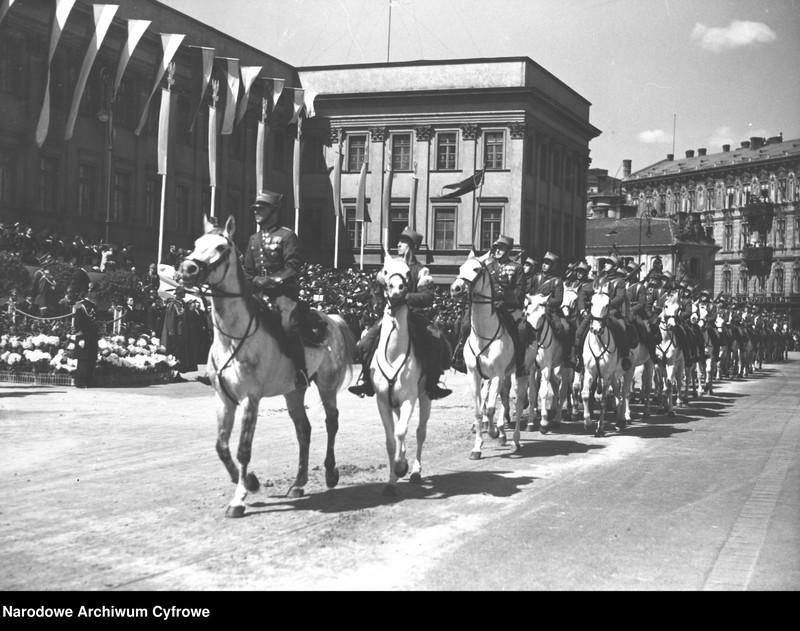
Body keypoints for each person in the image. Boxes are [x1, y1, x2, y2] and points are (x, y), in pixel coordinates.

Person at [348, 227, 452, 400]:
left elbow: (428, 296)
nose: (398, 244)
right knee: (365, 343)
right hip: (390, 315)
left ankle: (433, 385)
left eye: (403, 242)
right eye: (399, 241)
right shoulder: (390, 267)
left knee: (435, 344)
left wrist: (407, 297)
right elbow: (378, 289)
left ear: (412, 246)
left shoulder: (421, 270)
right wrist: (381, 304)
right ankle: (366, 380)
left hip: (415, 317)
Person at [243, 189, 310, 390]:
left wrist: (271, 280)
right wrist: (255, 280)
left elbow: (292, 266)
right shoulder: (253, 239)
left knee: (289, 326)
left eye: (261, 209)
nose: (256, 212)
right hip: (258, 293)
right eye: (255, 209)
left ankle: (301, 372)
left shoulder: (287, 235)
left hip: (283, 294)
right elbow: (247, 269)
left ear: (274, 211)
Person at [451, 235, 528, 377]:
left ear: (508, 250)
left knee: (521, 329)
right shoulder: (488, 266)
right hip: (487, 305)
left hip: (507, 307)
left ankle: (520, 363)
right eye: (496, 248)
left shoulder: (517, 268)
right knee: (463, 324)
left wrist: (504, 296)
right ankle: (459, 355)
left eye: (502, 248)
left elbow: (520, 292)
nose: (498, 250)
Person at [572, 255, 633, 371]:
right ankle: (578, 358)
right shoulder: (599, 280)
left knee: (621, 331)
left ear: (615, 267)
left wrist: (607, 303)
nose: (605, 264)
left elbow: (620, 298)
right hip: (596, 313)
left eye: (609, 263)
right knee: (580, 331)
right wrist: (582, 309)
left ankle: (625, 357)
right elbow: (584, 292)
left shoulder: (619, 282)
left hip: (611, 312)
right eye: (606, 263)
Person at [70, 269, 99, 389]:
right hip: (84, 336)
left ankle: (88, 380)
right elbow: (78, 323)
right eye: (92, 293)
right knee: (83, 361)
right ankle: (80, 382)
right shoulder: (80, 305)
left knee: (91, 359)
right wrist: (80, 336)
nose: (94, 295)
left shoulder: (92, 306)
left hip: (91, 337)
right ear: (88, 293)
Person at [565, 261, 594, 368]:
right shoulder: (571, 283)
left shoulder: (590, 285)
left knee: (579, 334)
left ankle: (579, 357)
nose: (579, 274)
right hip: (569, 312)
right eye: (578, 271)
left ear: (586, 273)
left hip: (581, 314)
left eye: (582, 272)